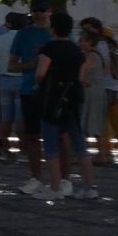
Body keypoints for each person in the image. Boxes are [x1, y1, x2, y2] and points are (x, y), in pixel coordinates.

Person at [34, 12, 97, 201]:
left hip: (53, 100)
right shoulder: (76, 51)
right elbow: (80, 76)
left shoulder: (49, 48)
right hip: (73, 98)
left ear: (53, 28)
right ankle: (90, 187)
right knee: (79, 144)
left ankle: (55, 188)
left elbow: (40, 73)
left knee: (51, 145)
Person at [10, 0, 55, 196]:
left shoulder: (57, 33)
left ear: (49, 11)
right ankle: (36, 177)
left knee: (58, 137)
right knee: (32, 137)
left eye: (41, 10)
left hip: (55, 90)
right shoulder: (23, 34)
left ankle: (61, 180)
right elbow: (12, 66)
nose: (38, 14)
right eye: (34, 11)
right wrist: (34, 64)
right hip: (30, 90)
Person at [81, 18, 118, 164]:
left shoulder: (98, 46)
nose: (85, 31)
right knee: (116, 120)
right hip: (116, 87)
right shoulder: (115, 46)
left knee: (102, 121)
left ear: (97, 30)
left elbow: (100, 69)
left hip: (103, 87)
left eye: (88, 28)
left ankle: (106, 153)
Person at [0, 10, 27, 160]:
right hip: (22, 80)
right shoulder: (25, 39)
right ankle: (23, 150)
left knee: (5, 117)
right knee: (20, 118)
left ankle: (6, 148)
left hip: (4, 80)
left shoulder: (1, 39)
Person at [78, 32, 110, 170]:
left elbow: (84, 70)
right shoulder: (98, 55)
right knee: (96, 123)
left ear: (89, 42)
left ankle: (88, 154)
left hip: (92, 93)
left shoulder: (91, 55)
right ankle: (101, 153)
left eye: (82, 40)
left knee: (87, 121)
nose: (79, 43)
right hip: (96, 91)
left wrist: (80, 80)